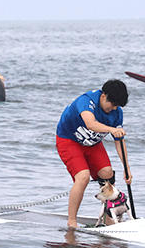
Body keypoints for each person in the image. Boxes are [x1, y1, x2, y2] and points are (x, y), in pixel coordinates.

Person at [55, 79, 132, 228]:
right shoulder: (86, 101)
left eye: (117, 106)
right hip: (69, 140)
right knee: (83, 177)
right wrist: (111, 129)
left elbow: (119, 142)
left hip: (92, 144)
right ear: (104, 96)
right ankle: (72, 222)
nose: (114, 108)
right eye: (113, 104)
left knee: (107, 174)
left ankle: (109, 222)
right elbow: (90, 123)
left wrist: (127, 168)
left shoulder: (117, 113)